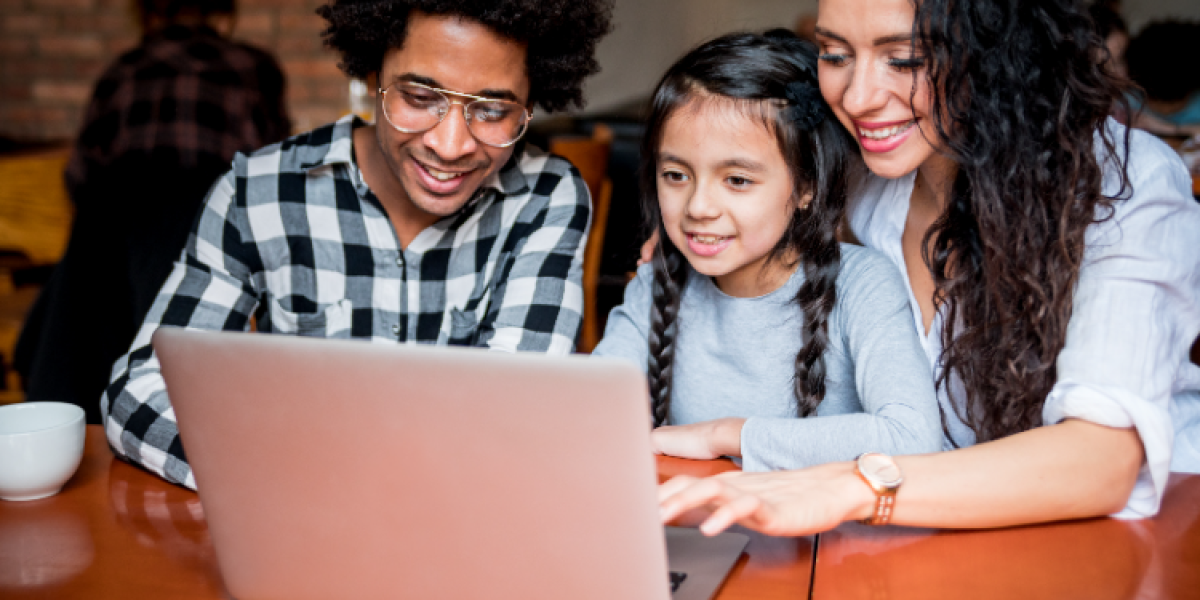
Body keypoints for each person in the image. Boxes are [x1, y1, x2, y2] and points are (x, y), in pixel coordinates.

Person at [658, 0, 1200, 536]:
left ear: (997, 49)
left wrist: (853, 487)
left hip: (1124, 536)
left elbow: (1101, 461)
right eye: (835, 54)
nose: (858, 97)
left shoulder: (1122, 184)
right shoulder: (860, 178)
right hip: (927, 535)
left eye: (906, 59)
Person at [102, 0, 614, 488]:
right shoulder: (257, 193)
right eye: (420, 98)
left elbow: (515, 411)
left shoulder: (544, 197)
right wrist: (276, 472)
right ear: (372, 75)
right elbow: (140, 391)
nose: (450, 145)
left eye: (493, 110)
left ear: (529, 104)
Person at [592, 31, 941, 472]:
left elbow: (913, 437)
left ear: (806, 187)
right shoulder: (656, 281)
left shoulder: (863, 285)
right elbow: (592, 410)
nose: (698, 207)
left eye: (737, 180)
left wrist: (724, 435)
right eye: (676, 175)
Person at [14, 0, 290, 424]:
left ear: (148, 13)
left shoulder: (123, 69)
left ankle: (76, 418)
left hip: (113, 221)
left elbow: (80, 174)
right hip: (201, 219)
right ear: (223, 13)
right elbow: (271, 169)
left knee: (76, 320)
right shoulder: (252, 67)